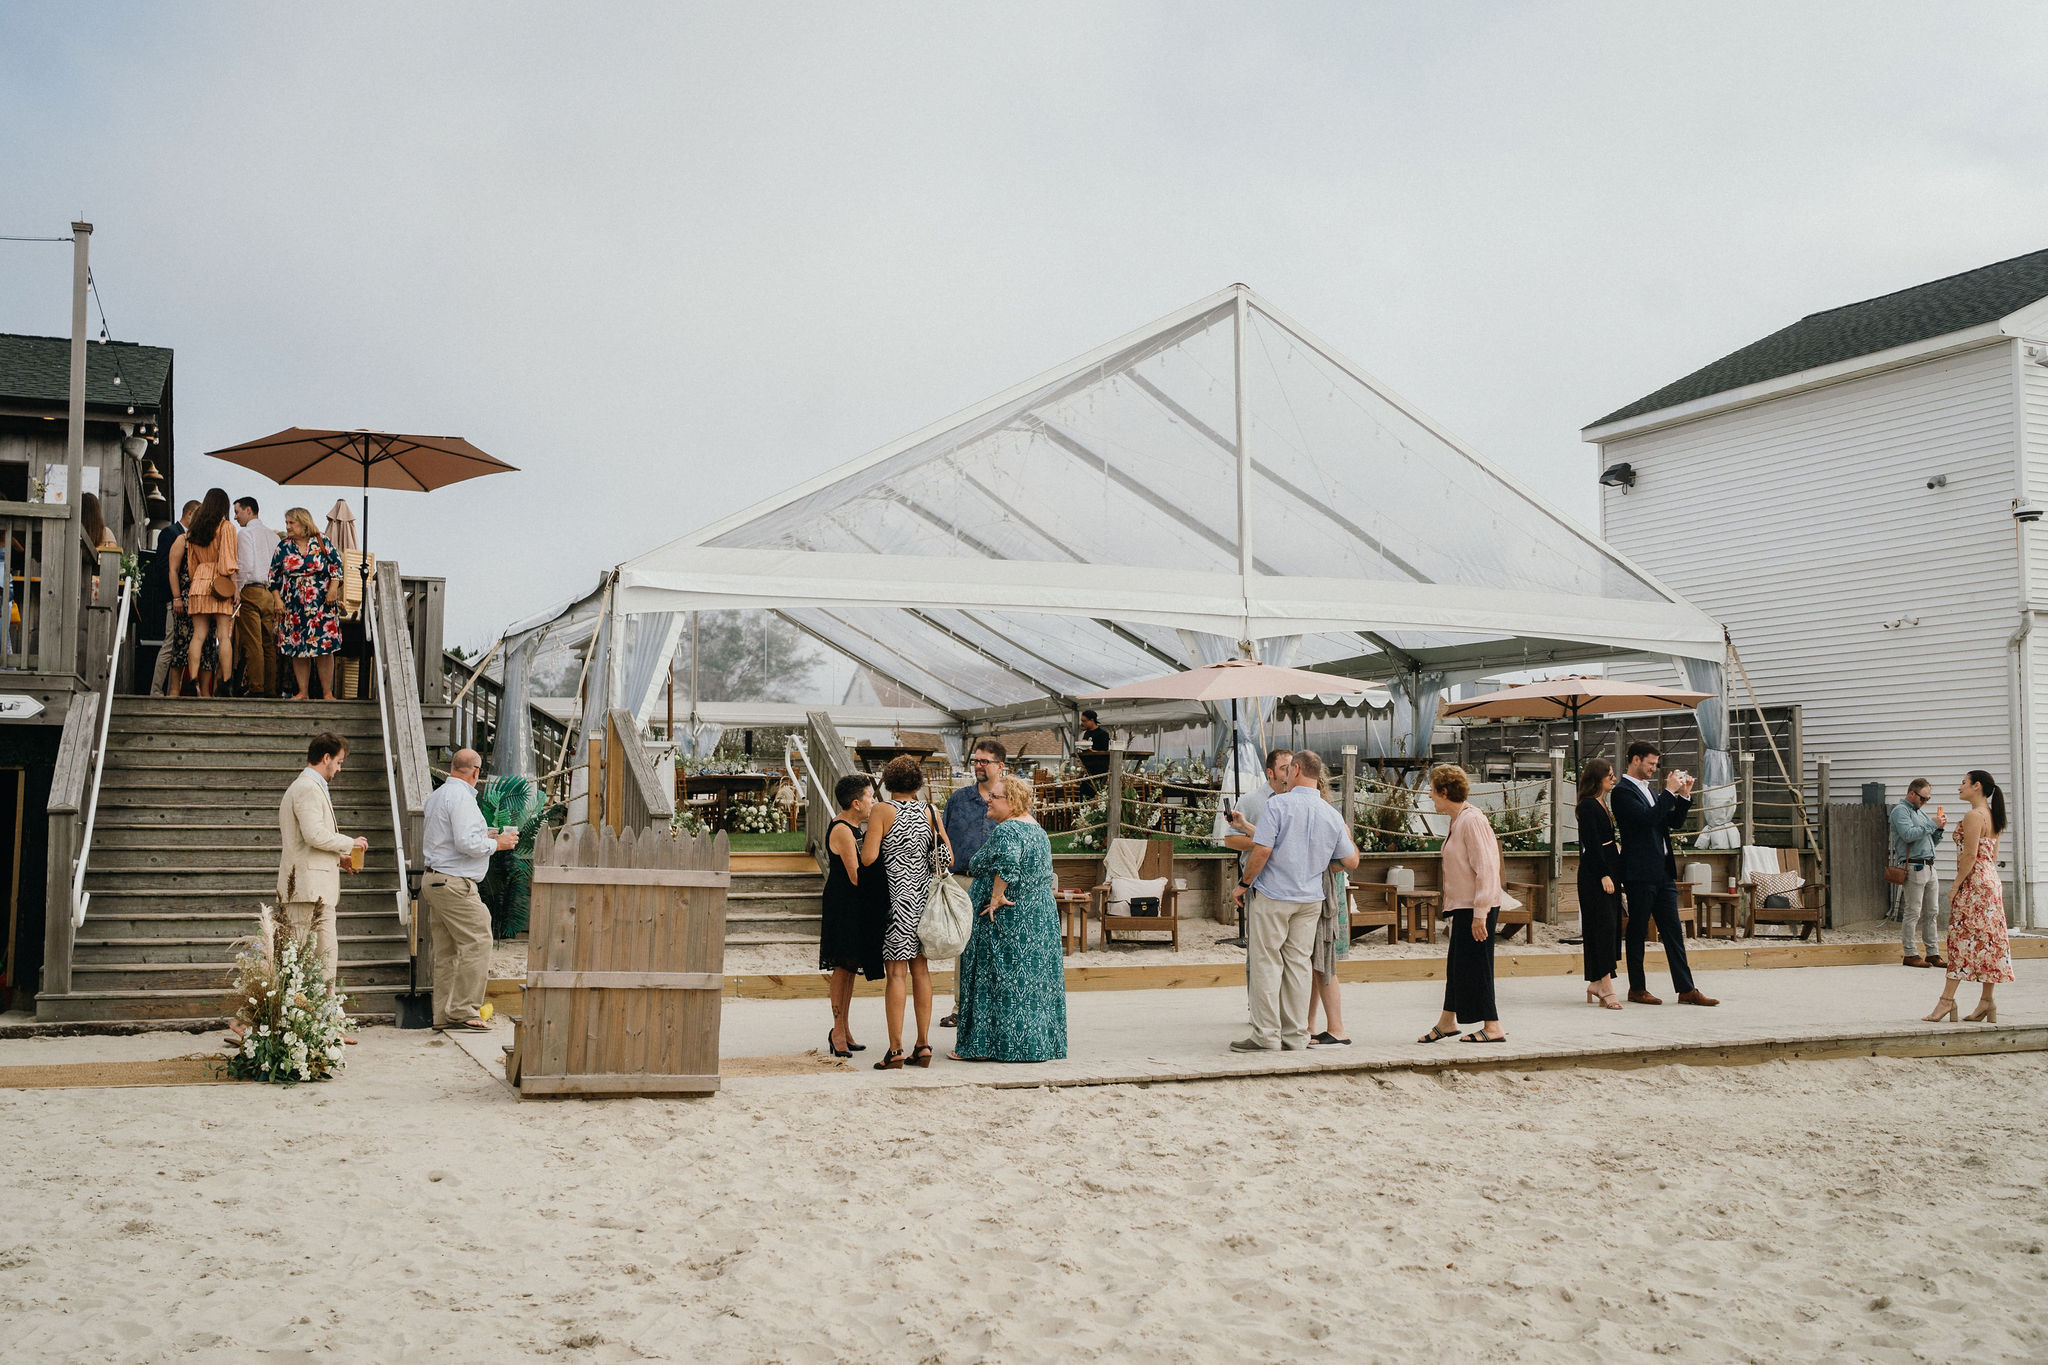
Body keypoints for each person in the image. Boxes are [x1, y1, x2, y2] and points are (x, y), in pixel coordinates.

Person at [1232, 748, 1359, 1053]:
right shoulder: (1331, 813)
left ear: (1298, 770)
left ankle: (1266, 1035)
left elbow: (1262, 851)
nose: (1286, 774)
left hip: (1275, 894)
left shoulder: (1278, 804)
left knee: (1266, 963)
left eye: (1289, 769)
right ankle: (1296, 1034)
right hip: (1311, 898)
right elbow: (1350, 860)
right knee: (1299, 965)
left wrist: (1243, 884)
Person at [952, 774, 1067, 1062]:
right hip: (1038, 916)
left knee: (995, 978)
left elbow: (1008, 864)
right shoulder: (1036, 829)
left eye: (995, 796)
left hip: (1009, 918)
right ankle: (1035, 1044)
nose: (988, 800)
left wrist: (995, 897)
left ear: (1012, 801)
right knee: (1031, 981)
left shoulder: (1008, 831)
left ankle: (983, 1046)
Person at [1611, 741, 1718, 1007]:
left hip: (1663, 872)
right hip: (1639, 872)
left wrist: (1683, 797)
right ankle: (1637, 988)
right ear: (1636, 760)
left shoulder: (1651, 791)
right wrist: (1669, 792)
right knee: (1637, 931)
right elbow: (1646, 820)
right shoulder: (1622, 792)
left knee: (1673, 931)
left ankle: (1686, 989)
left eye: (1656, 765)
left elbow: (1671, 821)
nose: (1654, 769)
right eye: (1650, 764)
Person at [861, 755, 951, 1069]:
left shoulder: (882, 810)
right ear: (917, 784)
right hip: (925, 899)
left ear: (888, 782)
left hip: (896, 901)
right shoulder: (930, 811)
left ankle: (896, 1049)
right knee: (921, 972)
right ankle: (923, 1045)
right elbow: (947, 855)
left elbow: (870, 858)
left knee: (896, 974)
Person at [421, 748, 520, 1032]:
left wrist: (486, 834)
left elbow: (452, 837)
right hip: (455, 883)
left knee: (447, 950)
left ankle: (443, 1014)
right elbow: (465, 843)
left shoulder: (438, 795)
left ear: (453, 767)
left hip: (435, 880)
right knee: (479, 939)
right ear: (476, 772)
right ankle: (463, 1009)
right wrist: (497, 844)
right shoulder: (462, 797)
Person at [1416, 764, 1510, 1043]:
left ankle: (1493, 1026)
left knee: (1478, 965)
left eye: (1433, 791)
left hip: (1477, 906)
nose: (1431, 797)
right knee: (1457, 966)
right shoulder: (1458, 820)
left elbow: (1487, 868)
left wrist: (1480, 914)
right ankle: (1447, 1021)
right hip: (1464, 906)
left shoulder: (1472, 821)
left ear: (1444, 792)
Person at [277, 731, 369, 995]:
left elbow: (306, 842)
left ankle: (327, 1026)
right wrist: (350, 843)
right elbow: (313, 834)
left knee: (316, 961)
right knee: (302, 962)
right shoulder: (307, 787)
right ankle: (247, 1017)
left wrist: (338, 859)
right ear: (326, 757)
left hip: (311, 888)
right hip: (306, 890)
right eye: (339, 762)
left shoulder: (307, 786)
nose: (339, 769)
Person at [1924, 770, 2013, 1023]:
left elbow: (1969, 856)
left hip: (1975, 882)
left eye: (1963, 783)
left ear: (1977, 786)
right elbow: (1992, 857)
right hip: (1991, 880)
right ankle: (1986, 1001)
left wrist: (1954, 887)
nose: (1959, 787)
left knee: (1962, 939)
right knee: (1988, 941)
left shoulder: (1974, 815)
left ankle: (1946, 1001)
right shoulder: (1993, 815)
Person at [937, 738, 1006, 1029]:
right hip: (961, 880)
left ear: (1000, 766)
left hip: (997, 885)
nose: (978, 766)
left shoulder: (1010, 800)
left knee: (996, 946)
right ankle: (960, 1007)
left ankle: (995, 1009)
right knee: (962, 948)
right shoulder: (958, 799)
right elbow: (942, 837)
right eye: (975, 761)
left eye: (984, 761)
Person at [820, 772, 881, 1057]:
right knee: (842, 969)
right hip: (843, 904)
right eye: (870, 796)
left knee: (850, 968)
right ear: (856, 803)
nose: (873, 801)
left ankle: (844, 1027)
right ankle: (837, 1030)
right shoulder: (843, 829)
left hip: (854, 904)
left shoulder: (856, 828)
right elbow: (856, 876)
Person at [270, 507, 345, 701]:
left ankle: (327, 692)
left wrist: (333, 590)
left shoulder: (321, 541)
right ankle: (303, 692)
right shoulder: (283, 547)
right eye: (286, 523)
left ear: (303, 523)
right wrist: (277, 600)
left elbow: (337, 568)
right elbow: (273, 577)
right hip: (294, 603)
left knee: (324, 647)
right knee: (298, 648)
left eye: (291, 523)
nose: (287, 527)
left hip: (322, 601)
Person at [173, 488, 239, 697]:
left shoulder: (193, 530)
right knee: (223, 635)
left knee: (198, 636)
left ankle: (192, 682)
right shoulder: (226, 527)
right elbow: (228, 562)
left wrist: (199, 579)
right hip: (219, 583)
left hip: (199, 583)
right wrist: (234, 588)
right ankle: (225, 684)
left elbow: (192, 565)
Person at [1223, 748, 1294, 940]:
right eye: (1284, 768)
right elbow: (1230, 840)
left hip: (1292, 883)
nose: (1289, 773)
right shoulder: (1251, 800)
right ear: (1270, 772)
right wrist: (1263, 843)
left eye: (1292, 768)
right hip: (1261, 882)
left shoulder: (1297, 800)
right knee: (1260, 943)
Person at [1575, 758, 1626, 1009]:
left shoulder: (1602, 802)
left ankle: (1597, 981)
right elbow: (1592, 843)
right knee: (1602, 927)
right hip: (1596, 871)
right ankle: (1606, 986)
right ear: (1597, 778)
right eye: (1610, 775)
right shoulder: (1587, 806)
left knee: (1610, 926)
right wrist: (1603, 874)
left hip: (1609, 865)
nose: (1613, 778)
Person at [1890, 778, 1948, 968]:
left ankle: (1932, 952)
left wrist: (1938, 830)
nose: (1925, 802)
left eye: (1928, 799)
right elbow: (1907, 835)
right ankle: (1910, 953)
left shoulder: (1920, 813)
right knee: (1913, 911)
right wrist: (1932, 825)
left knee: (1932, 911)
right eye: (1923, 798)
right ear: (1912, 793)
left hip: (1929, 865)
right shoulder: (1901, 811)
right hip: (1914, 865)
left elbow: (1928, 841)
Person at [231, 497, 284, 699]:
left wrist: (237, 589)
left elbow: (245, 565)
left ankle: (256, 687)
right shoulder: (274, 537)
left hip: (251, 590)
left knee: (253, 642)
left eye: (237, 511)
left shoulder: (245, 534)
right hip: (270, 593)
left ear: (249, 510)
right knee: (268, 644)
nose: (235, 517)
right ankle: (270, 689)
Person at [143, 500, 198, 696]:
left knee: (180, 645)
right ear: (190, 514)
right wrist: (175, 597)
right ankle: (156, 691)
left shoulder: (192, 538)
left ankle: (170, 690)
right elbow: (164, 567)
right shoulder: (170, 533)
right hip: (173, 599)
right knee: (170, 644)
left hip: (186, 599)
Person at [1077, 710, 1111, 787]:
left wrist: (1092, 751)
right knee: (1083, 790)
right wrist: (1081, 773)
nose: (1082, 723)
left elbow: (1106, 752)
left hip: (1100, 770)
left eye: (1084, 721)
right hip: (1088, 769)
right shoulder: (1086, 733)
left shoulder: (1103, 734)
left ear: (1092, 720)